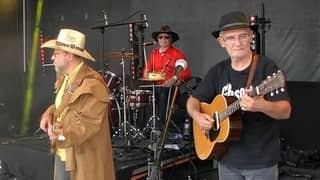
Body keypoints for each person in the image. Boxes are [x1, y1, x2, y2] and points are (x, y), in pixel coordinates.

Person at [186, 11, 291, 180]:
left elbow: (285, 111)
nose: (237, 43)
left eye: (243, 36)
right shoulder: (218, 71)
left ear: (251, 37)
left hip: (260, 162)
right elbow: (193, 100)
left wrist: (260, 105)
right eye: (231, 38)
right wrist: (197, 116)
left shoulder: (267, 68)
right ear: (222, 42)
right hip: (226, 159)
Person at [39, 29, 115, 180]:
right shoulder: (65, 78)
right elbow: (63, 106)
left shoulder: (92, 85)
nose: (52, 57)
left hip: (83, 160)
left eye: (56, 53)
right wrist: (49, 114)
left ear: (69, 55)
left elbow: (86, 126)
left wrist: (59, 135)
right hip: (65, 154)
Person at [144, 25, 192, 129]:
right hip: (155, 86)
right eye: (160, 37)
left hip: (171, 88)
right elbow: (147, 70)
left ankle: (161, 128)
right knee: (141, 95)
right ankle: (145, 127)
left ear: (171, 40)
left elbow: (185, 72)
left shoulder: (177, 54)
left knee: (163, 93)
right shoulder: (153, 54)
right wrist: (147, 74)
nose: (163, 39)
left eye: (166, 37)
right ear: (157, 39)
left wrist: (174, 79)